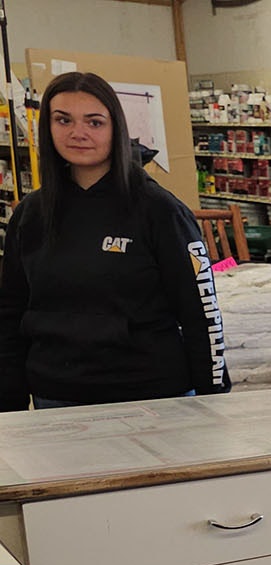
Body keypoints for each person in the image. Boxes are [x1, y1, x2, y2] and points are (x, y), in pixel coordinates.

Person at [0, 71, 227, 411]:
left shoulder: (160, 211)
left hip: (152, 398)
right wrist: (9, 404)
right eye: (63, 120)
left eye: (94, 122)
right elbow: (10, 315)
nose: (78, 133)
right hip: (55, 397)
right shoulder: (30, 215)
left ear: (115, 128)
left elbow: (202, 314)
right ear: (47, 127)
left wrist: (214, 400)